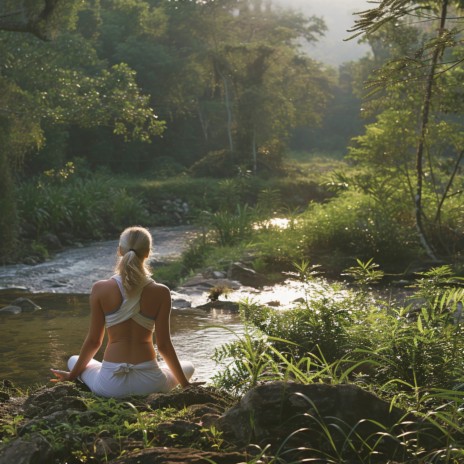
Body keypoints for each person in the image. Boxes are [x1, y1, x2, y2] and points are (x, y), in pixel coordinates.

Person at [50, 226, 195, 397]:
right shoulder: (162, 292)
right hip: (150, 383)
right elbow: (163, 345)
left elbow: (94, 341)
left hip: (110, 385)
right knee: (189, 366)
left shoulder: (100, 289)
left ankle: (80, 373)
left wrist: (71, 376)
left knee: (73, 360)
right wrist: (186, 385)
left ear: (119, 251)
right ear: (148, 253)